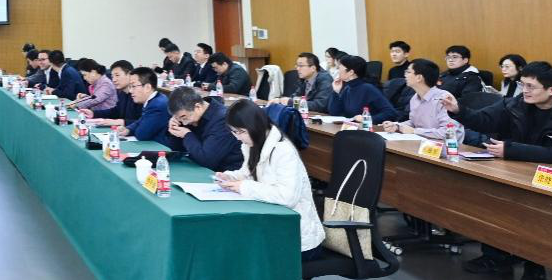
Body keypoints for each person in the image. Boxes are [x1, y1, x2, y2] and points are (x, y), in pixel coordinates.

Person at [443, 61, 552, 280]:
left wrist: (511, 150)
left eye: (531, 86)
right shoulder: (516, 103)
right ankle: (496, 256)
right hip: (518, 167)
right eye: (523, 85)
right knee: (492, 196)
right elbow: (485, 119)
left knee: (535, 211)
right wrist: (458, 110)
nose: (525, 91)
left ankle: (535, 266)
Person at [216, 99, 325, 258]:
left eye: (241, 132)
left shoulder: (283, 150)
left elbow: (288, 197)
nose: (238, 137)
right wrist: (230, 177)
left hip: (299, 239)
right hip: (272, 224)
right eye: (234, 132)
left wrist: (244, 186)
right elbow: (248, 172)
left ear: (256, 125)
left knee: (241, 252)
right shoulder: (252, 144)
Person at [164, 86, 242, 171]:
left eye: (184, 117)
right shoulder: (189, 115)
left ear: (198, 107)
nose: (184, 123)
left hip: (226, 173)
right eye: (178, 118)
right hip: (197, 167)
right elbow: (176, 150)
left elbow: (207, 161)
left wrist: (187, 135)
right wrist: (175, 130)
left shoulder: (222, 120)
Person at [380, 59, 457, 140]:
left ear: (419, 78)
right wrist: (397, 126)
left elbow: (449, 131)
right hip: (424, 142)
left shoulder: (444, 98)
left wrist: (415, 131)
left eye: (408, 72)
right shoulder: (414, 98)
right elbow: (413, 122)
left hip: (448, 145)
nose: (405, 75)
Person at [329, 55, 397, 123]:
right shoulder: (348, 88)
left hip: (368, 128)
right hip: (352, 127)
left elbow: (391, 113)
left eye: (339, 68)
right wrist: (336, 92)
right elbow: (335, 113)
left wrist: (366, 119)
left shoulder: (368, 88)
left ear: (351, 72)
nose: (338, 71)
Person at [125, 67, 170, 144]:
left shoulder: (157, 105)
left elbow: (142, 135)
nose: (130, 91)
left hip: (162, 148)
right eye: (130, 87)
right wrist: (128, 129)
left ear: (147, 87)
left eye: (133, 86)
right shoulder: (154, 99)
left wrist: (133, 129)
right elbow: (141, 121)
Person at [89, 60, 140, 127]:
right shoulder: (122, 93)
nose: (114, 80)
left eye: (117, 75)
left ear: (129, 74)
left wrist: (121, 122)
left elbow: (144, 122)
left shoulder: (139, 96)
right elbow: (116, 111)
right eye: (112, 76)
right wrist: (93, 113)